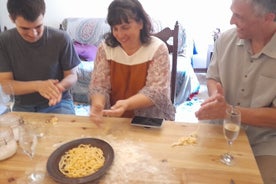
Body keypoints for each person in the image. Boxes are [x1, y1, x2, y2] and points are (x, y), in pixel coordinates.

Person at [195, 0, 276, 183]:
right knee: (195, 173)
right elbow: (212, 77)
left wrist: (229, 112)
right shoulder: (225, 39)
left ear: (269, 18)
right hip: (217, 130)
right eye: (232, 13)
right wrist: (216, 96)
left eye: (239, 16)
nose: (231, 21)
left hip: (264, 142)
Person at [89, 0, 175, 123]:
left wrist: (127, 104)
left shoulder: (157, 48)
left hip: (149, 119)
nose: (119, 34)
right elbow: (99, 85)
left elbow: (156, 91)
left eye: (125, 27)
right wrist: (98, 104)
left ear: (140, 24)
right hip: (114, 118)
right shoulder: (105, 48)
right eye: (115, 29)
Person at [0, 0, 80, 114]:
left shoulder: (61, 38)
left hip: (58, 101)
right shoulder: (4, 41)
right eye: (25, 29)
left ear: (43, 15)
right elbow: (5, 86)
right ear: (12, 19)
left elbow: (72, 76)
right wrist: (38, 86)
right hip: (22, 104)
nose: (33, 34)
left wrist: (58, 88)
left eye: (38, 26)